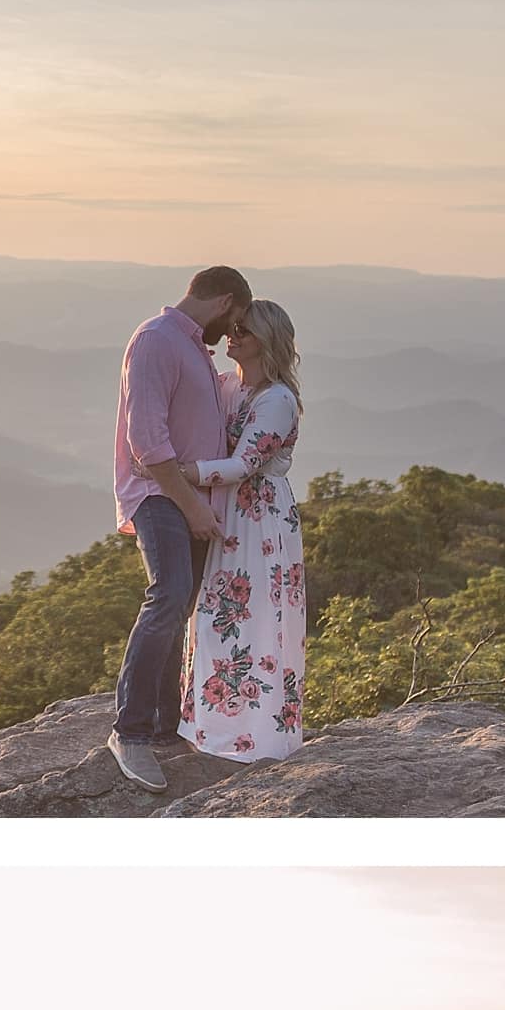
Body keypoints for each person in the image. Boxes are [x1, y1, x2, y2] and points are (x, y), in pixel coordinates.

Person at [106, 265, 252, 792]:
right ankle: (131, 732)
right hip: (161, 495)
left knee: (181, 604)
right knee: (167, 596)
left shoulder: (194, 350)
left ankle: (166, 727)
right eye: (235, 321)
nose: (233, 333)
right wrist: (192, 506)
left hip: (190, 498)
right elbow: (147, 441)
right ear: (225, 301)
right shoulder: (155, 340)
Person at [177, 299, 306, 762]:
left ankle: (257, 735)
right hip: (228, 513)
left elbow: (245, 464)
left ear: (266, 340)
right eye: (233, 327)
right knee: (214, 616)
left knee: (257, 618)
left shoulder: (277, 400)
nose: (233, 335)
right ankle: (213, 726)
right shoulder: (230, 386)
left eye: (244, 331)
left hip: (260, 522)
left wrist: (177, 472)